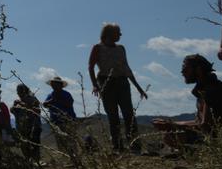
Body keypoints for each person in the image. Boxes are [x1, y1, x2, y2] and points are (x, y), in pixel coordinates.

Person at [87, 23, 148, 152]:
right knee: (113, 116)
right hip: (106, 82)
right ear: (109, 34)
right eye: (118, 32)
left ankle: (135, 146)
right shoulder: (98, 48)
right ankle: (118, 146)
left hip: (122, 82)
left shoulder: (121, 48)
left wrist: (138, 87)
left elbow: (126, 68)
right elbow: (91, 67)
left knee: (129, 114)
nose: (120, 35)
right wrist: (95, 85)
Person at [42, 77, 77, 149]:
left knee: (70, 141)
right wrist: (52, 100)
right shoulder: (50, 95)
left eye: (55, 84)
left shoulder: (66, 94)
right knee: (60, 142)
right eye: (52, 84)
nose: (53, 86)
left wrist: (58, 100)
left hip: (67, 121)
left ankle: (74, 157)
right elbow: (44, 104)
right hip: (56, 122)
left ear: (60, 85)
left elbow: (69, 104)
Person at [11, 85, 42, 160]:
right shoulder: (18, 101)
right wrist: (14, 106)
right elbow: (13, 111)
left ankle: (36, 161)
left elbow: (38, 111)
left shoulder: (32, 99)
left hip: (33, 127)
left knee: (34, 145)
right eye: (18, 91)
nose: (18, 93)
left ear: (24, 91)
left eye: (20, 91)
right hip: (22, 128)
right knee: (24, 145)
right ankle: (30, 161)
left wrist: (25, 105)